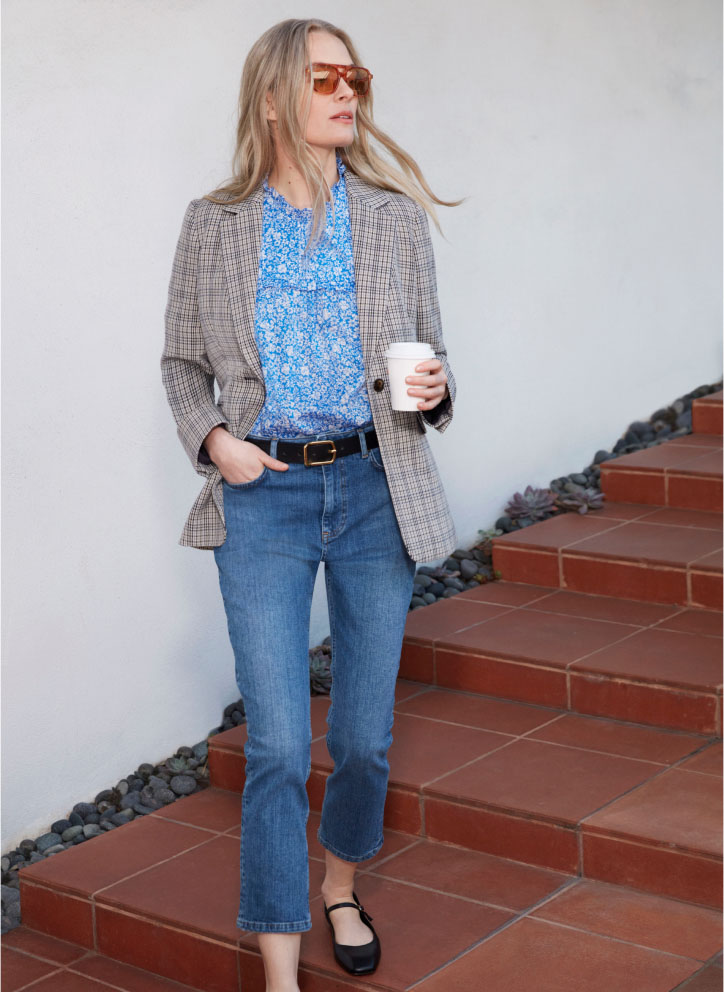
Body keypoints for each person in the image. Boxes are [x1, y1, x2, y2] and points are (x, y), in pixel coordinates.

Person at [161, 17, 462, 992]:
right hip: (266, 498)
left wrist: (436, 389)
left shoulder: (391, 215)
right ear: (271, 97)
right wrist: (215, 442)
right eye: (323, 76)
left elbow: (434, 360)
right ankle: (281, 974)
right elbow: (180, 363)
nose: (346, 91)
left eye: (354, 76)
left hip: (377, 489)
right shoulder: (214, 222)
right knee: (280, 744)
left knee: (363, 739)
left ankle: (340, 882)